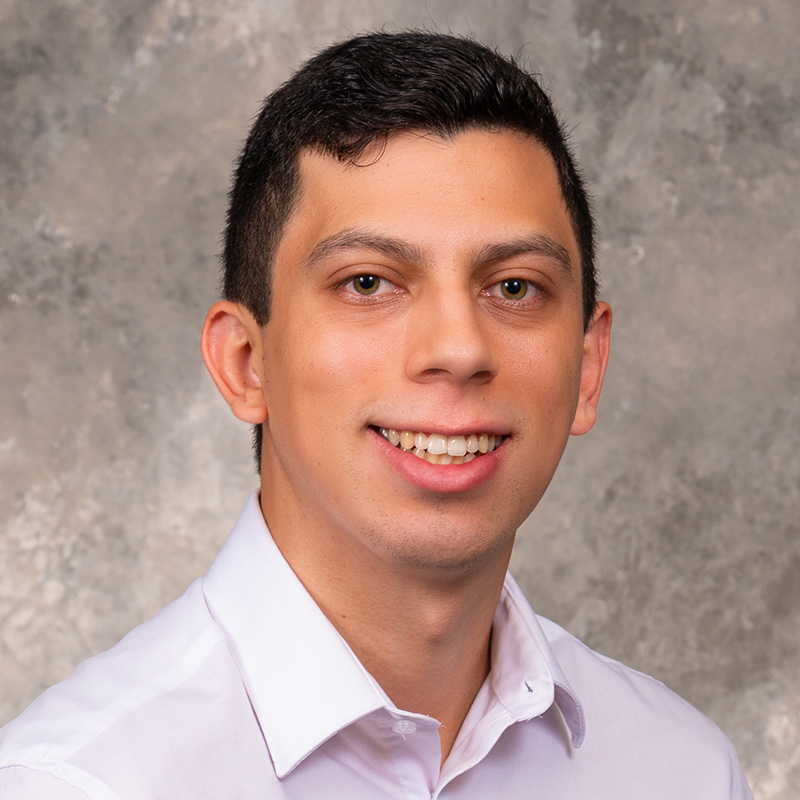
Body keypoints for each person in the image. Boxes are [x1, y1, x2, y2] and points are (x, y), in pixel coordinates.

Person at [0, 30, 752, 798]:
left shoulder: (684, 771)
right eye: (368, 283)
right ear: (245, 364)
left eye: (515, 287)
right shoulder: (71, 783)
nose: (459, 349)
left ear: (588, 368)